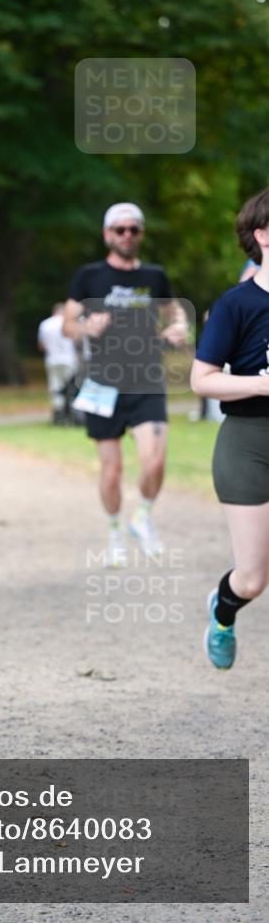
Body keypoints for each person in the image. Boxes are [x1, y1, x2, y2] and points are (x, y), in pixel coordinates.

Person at [63, 203, 188, 566]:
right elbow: (67, 325)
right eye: (120, 229)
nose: (128, 235)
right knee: (112, 470)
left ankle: (143, 516)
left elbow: (174, 312)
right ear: (107, 234)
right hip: (103, 382)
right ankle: (115, 532)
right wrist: (86, 327)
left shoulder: (155, 275)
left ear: (141, 234)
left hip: (147, 379)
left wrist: (179, 325)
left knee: (155, 462)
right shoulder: (89, 275)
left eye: (134, 229)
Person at [191, 187, 269, 670]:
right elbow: (202, 380)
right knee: (254, 577)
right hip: (248, 444)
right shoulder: (237, 305)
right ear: (262, 235)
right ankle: (224, 607)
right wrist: (262, 386)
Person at [37, 303, 79, 424]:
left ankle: (58, 413)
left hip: (52, 359)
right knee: (71, 387)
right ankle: (72, 413)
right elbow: (77, 341)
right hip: (69, 359)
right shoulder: (69, 323)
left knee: (55, 386)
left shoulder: (45, 324)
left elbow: (41, 345)